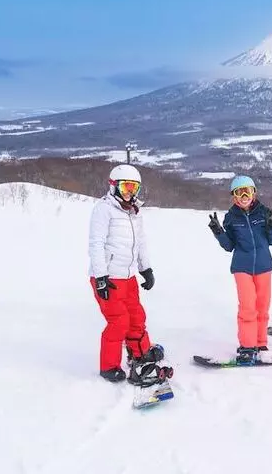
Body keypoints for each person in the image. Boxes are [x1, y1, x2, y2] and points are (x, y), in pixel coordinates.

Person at [88, 164, 163, 383]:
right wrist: (101, 276)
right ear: (114, 187)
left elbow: (140, 243)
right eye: (126, 187)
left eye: (134, 188)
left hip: (128, 277)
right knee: (118, 321)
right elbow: (96, 243)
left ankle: (139, 354)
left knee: (136, 317)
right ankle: (109, 366)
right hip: (108, 279)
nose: (130, 192)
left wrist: (145, 268)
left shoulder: (134, 212)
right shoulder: (103, 209)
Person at [208, 176, 272, 365]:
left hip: (264, 266)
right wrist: (219, 232)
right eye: (240, 192)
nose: (244, 196)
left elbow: (271, 241)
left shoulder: (264, 212)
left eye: (248, 191)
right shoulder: (231, 217)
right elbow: (229, 245)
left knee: (262, 307)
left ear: (254, 192)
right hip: (242, 267)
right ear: (234, 196)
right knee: (248, 307)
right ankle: (247, 346)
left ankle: (261, 343)